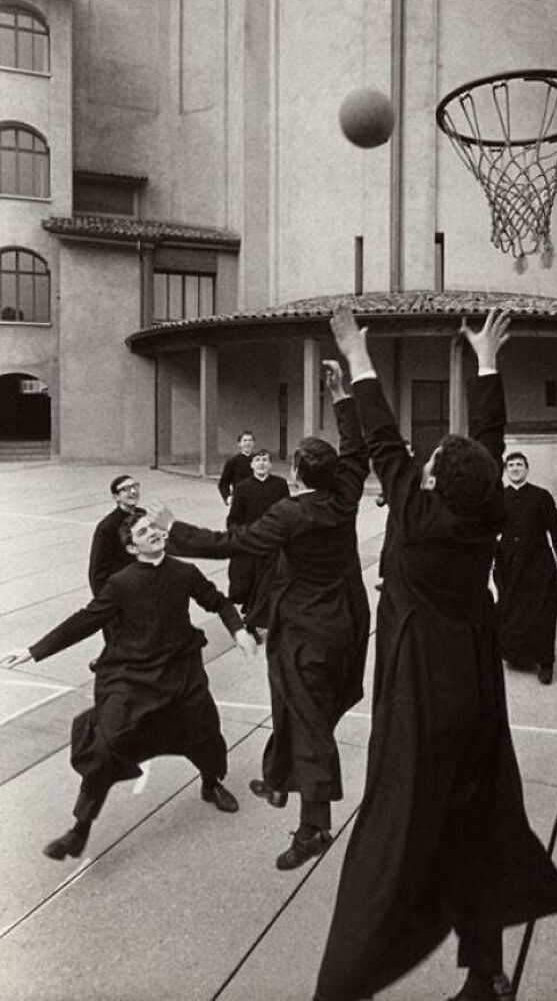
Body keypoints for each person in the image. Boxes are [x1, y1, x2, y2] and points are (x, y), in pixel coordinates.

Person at [313, 307, 557, 1001]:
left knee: (390, 840)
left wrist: (355, 354)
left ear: (428, 483)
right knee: (478, 824)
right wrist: (485, 362)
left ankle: (340, 987)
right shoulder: (484, 509)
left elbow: (385, 440)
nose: (418, 465)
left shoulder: (417, 515)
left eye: (425, 467)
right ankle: (486, 976)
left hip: (421, 691)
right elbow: (471, 441)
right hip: (477, 694)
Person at [146, 361, 370, 872]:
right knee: (299, 709)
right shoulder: (347, 495)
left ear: (295, 474)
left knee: (310, 724)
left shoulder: (291, 514)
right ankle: (278, 776)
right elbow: (356, 450)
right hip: (347, 623)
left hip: (307, 632)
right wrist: (342, 396)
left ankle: (314, 827)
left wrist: (173, 528)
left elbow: (233, 543)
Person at [2, 512, 257, 861]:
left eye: (154, 527)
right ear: (131, 546)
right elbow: (85, 620)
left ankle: (211, 784)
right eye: (143, 531)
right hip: (132, 676)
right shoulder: (121, 583)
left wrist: (238, 630)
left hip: (180, 672)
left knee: (205, 732)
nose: (152, 532)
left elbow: (220, 602)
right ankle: (79, 830)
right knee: (105, 748)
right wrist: (35, 650)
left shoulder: (184, 572)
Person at [494, 452, 557, 685]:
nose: (515, 469)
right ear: (506, 470)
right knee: (510, 610)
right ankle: (515, 654)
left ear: (527, 469)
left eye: (519, 465)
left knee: (543, 613)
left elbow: (555, 529)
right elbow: (489, 530)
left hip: (538, 564)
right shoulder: (499, 498)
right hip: (508, 564)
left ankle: (545, 663)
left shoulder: (541, 497)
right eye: (511, 465)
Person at [227, 449, 290, 632]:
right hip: (251, 541)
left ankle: (258, 619)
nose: (261, 463)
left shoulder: (280, 484)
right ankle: (250, 617)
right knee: (249, 581)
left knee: (269, 582)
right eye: (258, 460)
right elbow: (233, 518)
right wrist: (238, 535)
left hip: (272, 541)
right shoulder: (243, 487)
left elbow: (287, 511)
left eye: (265, 460)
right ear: (252, 465)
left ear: (270, 464)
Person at [88, 474, 142, 597]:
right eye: (126, 489)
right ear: (116, 497)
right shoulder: (107, 527)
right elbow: (98, 571)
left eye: (135, 487)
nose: (133, 491)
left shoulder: (145, 516)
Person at [218, 430, 255, 524]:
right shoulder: (232, 462)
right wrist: (227, 497)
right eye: (245, 440)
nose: (247, 443)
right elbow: (223, 483)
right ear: (239, 444)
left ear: (254, 443)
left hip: (256, 499)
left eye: (250, 440)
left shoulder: (258, 460)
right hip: (239, 499)